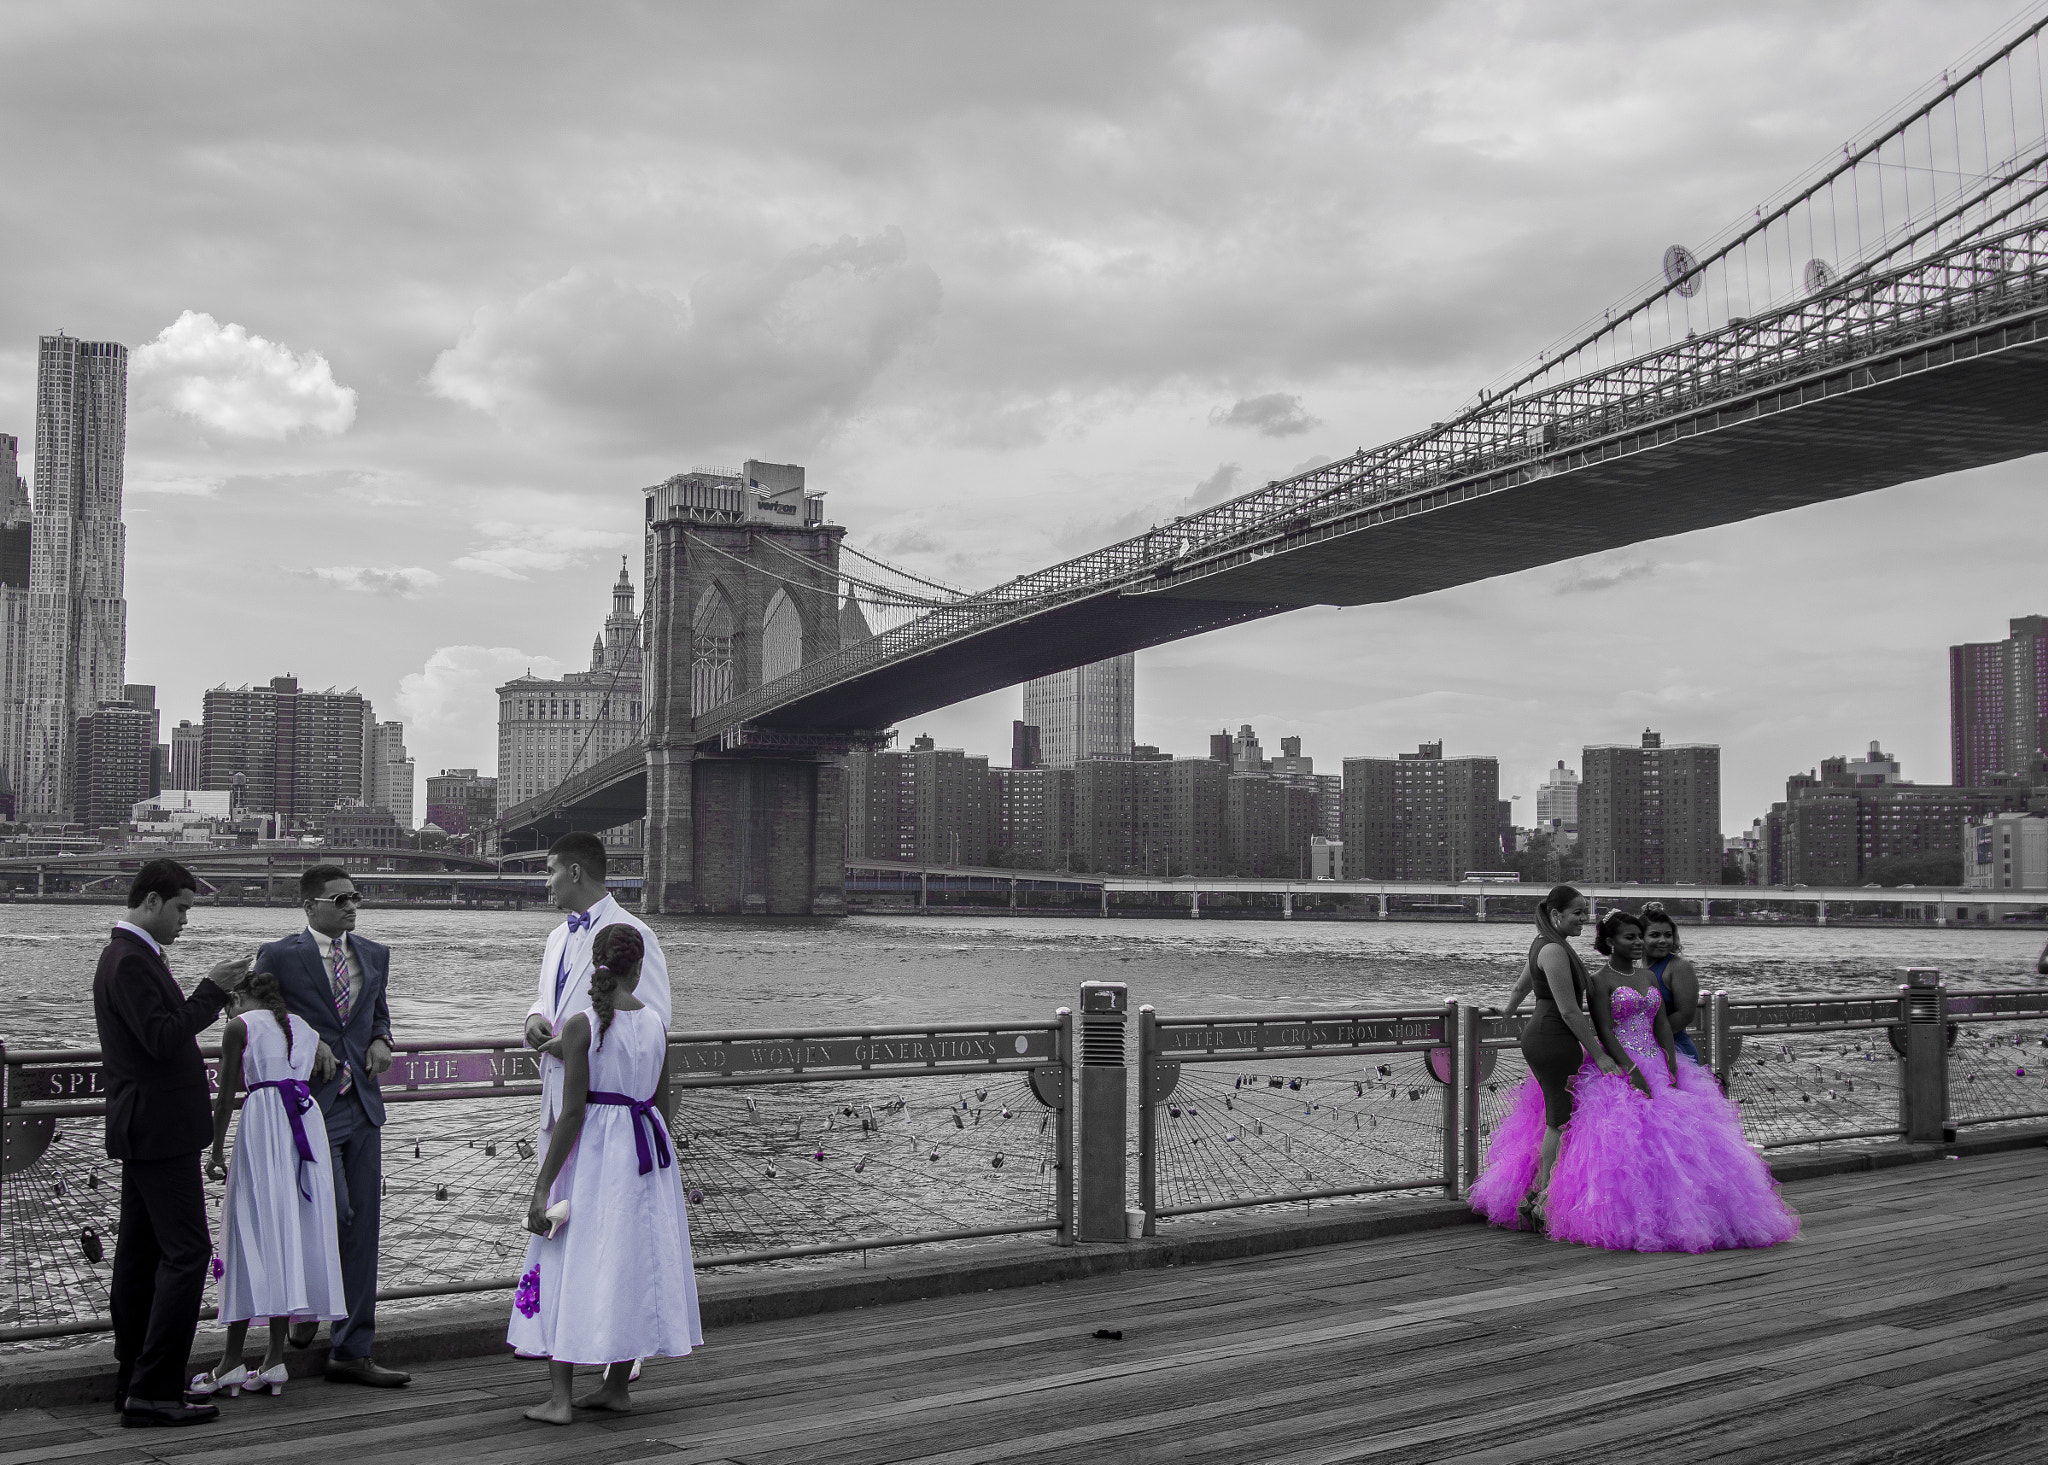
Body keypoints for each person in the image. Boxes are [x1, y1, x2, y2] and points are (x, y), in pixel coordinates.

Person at [1474, 910, 1800, 1252]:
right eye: (1630, 937)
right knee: (1622, 1140)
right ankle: (1604, 1212)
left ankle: (1687, 1214)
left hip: (1657, 1060)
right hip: (1621, 1062)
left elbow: (1661, 1023)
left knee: (1684, 1141)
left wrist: (1671, 1060)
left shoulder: (1649, 977)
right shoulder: (1599, 980)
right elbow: (1604, 1029)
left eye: (1639, 937)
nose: (1638, 943)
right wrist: (1629, 1069)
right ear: (1610, 941)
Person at [509, 924, 702, 1422]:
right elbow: (662, 1103)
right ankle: (617, 1386)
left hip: (593, 1154)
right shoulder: (656, 1023)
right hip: (645, 1154)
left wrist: (541, 1186)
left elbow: (571, 1113)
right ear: (639, 970)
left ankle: (559, 1400)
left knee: (569, 1259)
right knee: (630, 1261)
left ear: (595, 964)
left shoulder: (581, 1025)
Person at [92, 858, 251, 1427]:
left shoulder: (130, 957)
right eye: (181, 908)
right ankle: (155, 1389)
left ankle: (133, 1380)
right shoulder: (130, 960)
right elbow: (162, 1038)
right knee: (187, 1256)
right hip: (159, 1130)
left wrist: (206, 993)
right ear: (153, 902)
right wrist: (212, 989)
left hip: (145, 1127)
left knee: (139, 1259)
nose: (185, 921)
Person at [259, 866, 410, 1387]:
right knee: (337, 1213)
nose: (351, 906)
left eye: (355, 898)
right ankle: (307, 1310)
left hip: (364, 1104)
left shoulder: (374, 954)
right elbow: (259, 1012)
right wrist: (306, 1036)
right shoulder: (280, 955)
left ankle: (351, 1350)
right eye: (340, 899)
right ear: (310, 907)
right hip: (312, 1108)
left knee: (364, 1225)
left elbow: (379, 1014)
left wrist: (384, 1041)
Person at [196, 970, 347, 1397]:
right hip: (303, 1124)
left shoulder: (238, 1028)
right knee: (289, 1233)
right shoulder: (305, 1028)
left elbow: (226, 1097)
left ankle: (230, 1362)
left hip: (264, 1124)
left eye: (231, 1002)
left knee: (249, 1233)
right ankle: (275, 1359)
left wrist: (215, 1152)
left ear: (241, 998)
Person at [523, 832, 672, 1136]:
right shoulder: (556, 939)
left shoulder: (636, 934)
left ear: (575, 872)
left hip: (606, 1111)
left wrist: (579, 1047)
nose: (547, 882)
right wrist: (534, 1016)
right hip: (553, 1109)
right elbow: (548, 997)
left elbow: (655, 1024)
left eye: (552, 871)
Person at [1494, 885, 1618, 1231]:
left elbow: (1521, 988)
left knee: (1557, 1114)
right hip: (1554, 1038)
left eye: (1585, 912)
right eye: (1577, 912)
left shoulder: (1542, 945)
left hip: (1542, 1035)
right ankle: (1542, 1194)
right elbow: (1569, 1011)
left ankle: (1540, 1192)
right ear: (1556, 915)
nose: (1584, 919)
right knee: (1560, 1119)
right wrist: (1599, 1054)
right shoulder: (1553, 950)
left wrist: (1506, 1014)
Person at [1641, 903, 1702, 1064]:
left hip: (1675, 1052)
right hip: (1640, 1052)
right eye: (1655, 935)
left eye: (1668, 935)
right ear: (1640, 937)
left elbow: (1685, 1015)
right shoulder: (1634, 967)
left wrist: (1648, 1038)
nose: (1663, 940)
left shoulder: (1679, 967)